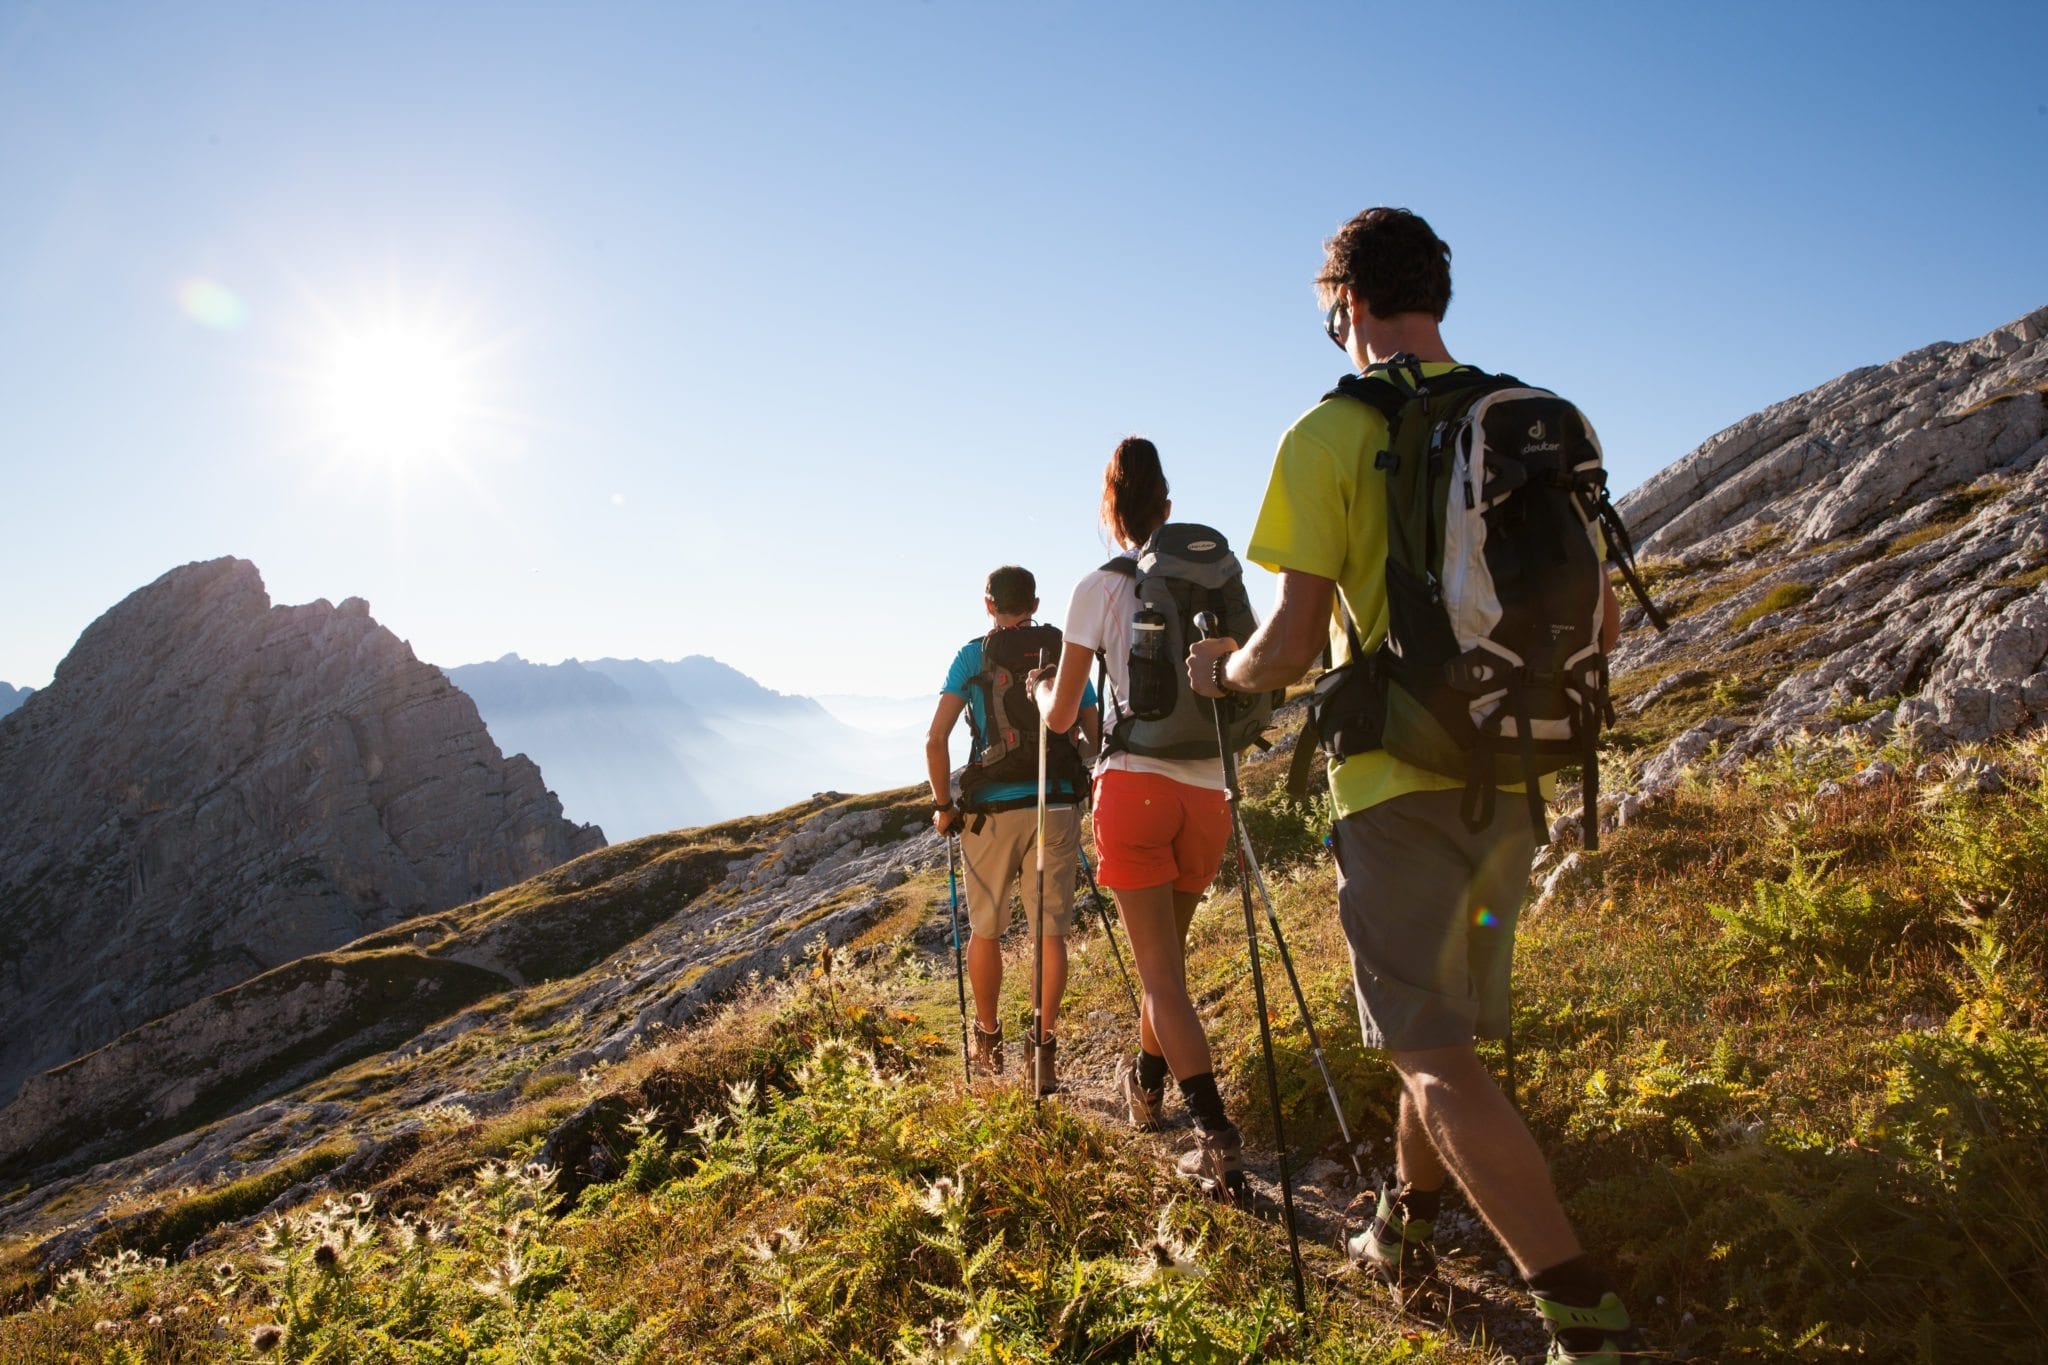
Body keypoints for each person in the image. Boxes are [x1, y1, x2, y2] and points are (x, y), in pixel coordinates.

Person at [1185, 208, 1635, 1363]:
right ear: (1435, 293)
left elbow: (1284, 652)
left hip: (1393, 780)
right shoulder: (1532, 417)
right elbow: (1603, 615)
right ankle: (1403, 1224)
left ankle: (1577, 1313)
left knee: (1428, 1052)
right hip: (1516, 767)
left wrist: (1218, 675)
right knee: (1435, 1034)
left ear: (1343, 306)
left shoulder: (1329, 433)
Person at [1030, 437, 1246, 1197]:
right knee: (1170, 972)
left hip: (1134, 789)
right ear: (1167, 508)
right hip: (1208, 793)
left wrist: (1037, 694)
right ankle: (1147, 1085)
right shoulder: (1205, 581)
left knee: (1162, 977)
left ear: (1112, 512)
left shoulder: (1096, 587)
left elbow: (1061, 718)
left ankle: (1215, 1135)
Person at [925, 565, 1098, 1092]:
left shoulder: (970, 656)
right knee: (1050, 932)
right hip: (1056, 807)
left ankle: (988, 1042)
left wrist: (943, 806)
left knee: (986, 930)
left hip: (990, 813)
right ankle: (1042, 1051)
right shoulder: (1062, 654)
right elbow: (1092, 733)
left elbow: (936, 741)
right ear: (1036, 602)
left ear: (988, 604)